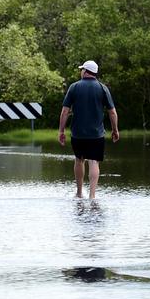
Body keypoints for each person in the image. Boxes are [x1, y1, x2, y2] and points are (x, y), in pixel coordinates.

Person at [58, 60, 119, 198]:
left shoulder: (74, 87)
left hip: (78, 134)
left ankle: (79, 193)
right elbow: (112, 112)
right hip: (96, 134)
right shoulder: (103, 88)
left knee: (79, 160)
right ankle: (92, 196)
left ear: (85, 71)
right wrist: (115, 130)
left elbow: (65, 111)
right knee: (93, 161)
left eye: (82, 69)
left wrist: (61, 131)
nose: (81, 72)